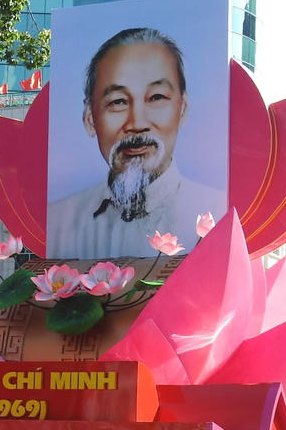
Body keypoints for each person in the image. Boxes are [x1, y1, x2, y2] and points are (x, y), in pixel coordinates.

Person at [46, 27, 223, 259]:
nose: (137, 123)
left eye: (156, 97)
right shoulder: (58, 223)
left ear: (182, 109)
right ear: (90, 118)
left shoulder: (219, 214)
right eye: (118, 101)